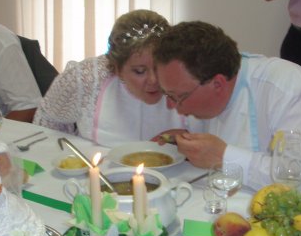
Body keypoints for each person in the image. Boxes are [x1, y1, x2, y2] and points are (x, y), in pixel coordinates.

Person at [151, 21, 301, 191]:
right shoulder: (203, 85)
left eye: (178, 97)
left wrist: (225, 157)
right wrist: (188, 141)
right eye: (167, 94)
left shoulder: (288, 88)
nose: (172, 105)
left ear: (218, 84)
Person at [34, 9, 187, 146]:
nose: (154, 80)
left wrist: (191, 139)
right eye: (140, 71)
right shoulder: (85, 78)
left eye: (160, 67)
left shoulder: (190, 78)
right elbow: (47, 125)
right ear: (117, 68)